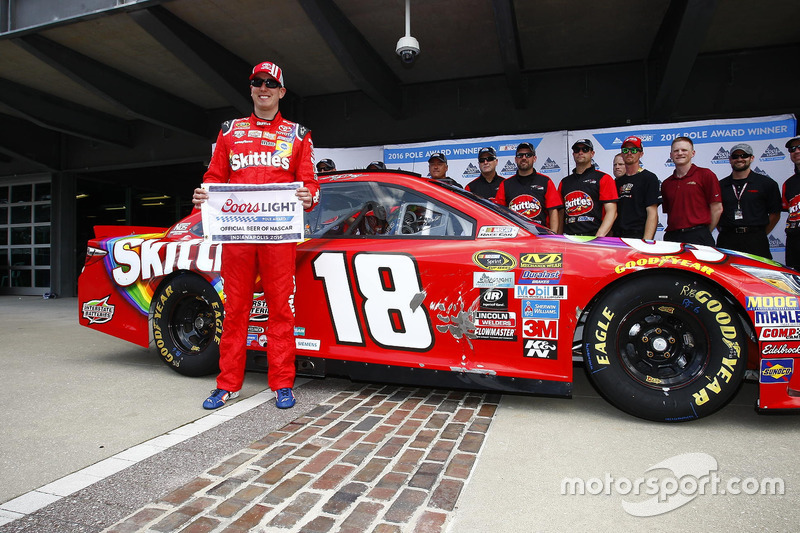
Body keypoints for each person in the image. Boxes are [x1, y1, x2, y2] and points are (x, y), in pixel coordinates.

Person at [192, 61, 319, 410]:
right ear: (251, 89)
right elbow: (214, 176)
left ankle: (282, 382)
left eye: (270, 83)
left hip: (278, 236)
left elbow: (309, 183)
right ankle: (228, 383)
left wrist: (310, 195)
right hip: (238, 235)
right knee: (235, 309)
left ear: (281, 91)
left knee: (281, 309)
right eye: (257, 82)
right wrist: (204, 193)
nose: (263, 88)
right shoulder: (230, 130)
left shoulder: (298, 134)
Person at [716, 143, 781, 258]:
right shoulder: (720, 185)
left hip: (756, 240)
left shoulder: (767, 184)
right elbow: (715, 211)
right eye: (735, 156)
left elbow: (775, 214)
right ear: (730, 159)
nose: (739, 159)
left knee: (759, 273)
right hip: (727, 239)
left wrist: (759, 233)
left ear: (752, 158)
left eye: (744, 155)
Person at [661, 136, 722, 246]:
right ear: (671, 155)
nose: (680, 153)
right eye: (676, 151)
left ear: (692, 153)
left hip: (699, 236)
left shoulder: (706, 175)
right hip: (673, 237)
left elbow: (717, 208)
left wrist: (705, 232)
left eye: (684, 150)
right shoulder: (666, 183)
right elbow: (669, 213)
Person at [494, 142, 562, 231]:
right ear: (515, 159)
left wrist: (553, 237)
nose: (524, 158)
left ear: (534, 158)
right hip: (517, 237)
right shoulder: (506, 184)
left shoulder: (545, 181)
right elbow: (499, 215)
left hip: (541, 236)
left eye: (528, 155)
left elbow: (553, 212)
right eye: (520, 155)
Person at [558, 139, 617, 236]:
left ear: (592, 153)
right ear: (573, 154)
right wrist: (558, 238)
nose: (580, 152)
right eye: (577, 150)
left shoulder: (603, 178)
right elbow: (560, 214)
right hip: (569, 239)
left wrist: (599, 237)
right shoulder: (564, 182)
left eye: (585, 149)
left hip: (594, 236)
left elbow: (612, 212)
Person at [612, 136, 661, 239]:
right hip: (618, 237)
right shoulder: (617, 181)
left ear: (641, 154)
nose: (629, 153)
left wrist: (646, 241)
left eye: (633, 150)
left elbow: (652, 213)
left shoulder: (649, 178)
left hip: (638, 235)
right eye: (626, 150)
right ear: (622, 154)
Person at [781, 136, 800, 270]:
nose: (796, 151)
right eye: (792, 149)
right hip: (794, 239)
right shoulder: (788, 183)